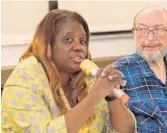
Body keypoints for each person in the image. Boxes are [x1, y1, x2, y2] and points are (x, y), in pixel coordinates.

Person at [1, 9, 136, 133]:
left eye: (82, 41)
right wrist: (95, 94)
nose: (79, 47)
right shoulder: (23, 80)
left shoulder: (88, 75)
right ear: (48, 45)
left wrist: (110, 95)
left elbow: (127, 130)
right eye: (68, 40)